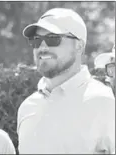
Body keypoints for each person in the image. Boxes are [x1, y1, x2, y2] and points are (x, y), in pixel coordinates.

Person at [17, 8, 115, 154]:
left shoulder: (104, 102)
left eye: (52, 39)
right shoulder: (27, 107)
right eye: (36, 41)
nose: (43, 47)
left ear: (79, 45)